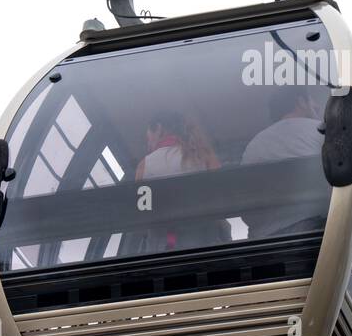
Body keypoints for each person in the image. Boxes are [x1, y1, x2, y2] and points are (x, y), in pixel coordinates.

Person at [133, 110, 226, 254]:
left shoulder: (145, 165)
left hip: (161, 253)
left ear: (158, 128)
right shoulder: (204, 156)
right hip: (207, 249)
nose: (148, 143)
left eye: (148, 138)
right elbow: (223, 202)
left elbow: (141, 215)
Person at [240, 88, 326, 239]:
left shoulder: (254, 145)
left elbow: (244, 203)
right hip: (314, 233)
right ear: (301, 102)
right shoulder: (321, 131)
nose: (318, 107)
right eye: (312, 102)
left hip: (261, 241)